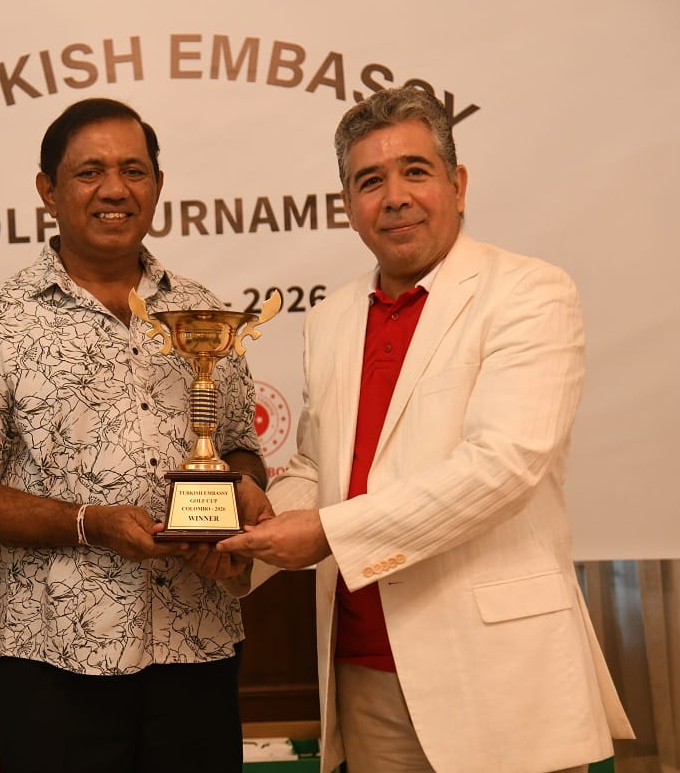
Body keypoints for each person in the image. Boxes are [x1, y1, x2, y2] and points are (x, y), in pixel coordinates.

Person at [218, 87, 634, 773]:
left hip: (499, 672)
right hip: (363, 671)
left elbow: (500, 468)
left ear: (457, 184)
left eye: (415, 171)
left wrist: (327, 534)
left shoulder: (529, 292)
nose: (395, 197)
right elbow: (320, 469)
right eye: (369, 181)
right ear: (347, 205)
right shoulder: (331, 317)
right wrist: (248, 540)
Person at [0, 97, 270, 773]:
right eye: (89, 172)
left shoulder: (201, 312)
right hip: (55, 660)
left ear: (158, 186)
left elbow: (234, 444)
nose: (114, 189)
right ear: (47, 191)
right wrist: (90, 524)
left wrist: (244, 491)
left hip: (195, 642)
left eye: (133, 170)